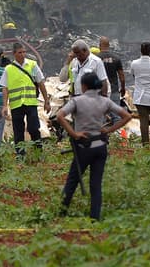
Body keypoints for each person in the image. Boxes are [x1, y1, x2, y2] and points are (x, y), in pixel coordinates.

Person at [56, 74, 132, 221]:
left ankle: (61, 213)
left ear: (84, 86)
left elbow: (60, 115)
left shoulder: (77, 101)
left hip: (83, 146)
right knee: (96, 184)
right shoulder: (105, 101)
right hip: (100, 146)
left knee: (72, 180)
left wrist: (73, 133)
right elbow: (127, 116)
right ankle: (94, 217)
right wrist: (109, 130)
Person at [1, 42, 50, 157]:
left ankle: (38, 152)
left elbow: (41, 83)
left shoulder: (32, 65)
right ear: (14, 54)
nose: (23, 54)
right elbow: (5, 88)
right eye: (20, 52)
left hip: (30, 102)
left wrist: (46, 101)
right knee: (18, 131)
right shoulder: (8, 69)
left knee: (34, 128)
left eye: (24, 52)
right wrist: (4, 105)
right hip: (16, 104)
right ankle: (20, 155)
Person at [98, 37, 126, 106]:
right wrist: (123, 88)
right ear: (109, 45)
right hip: (114, 91)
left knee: (101, 115)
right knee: (115, 114)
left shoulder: (96, 59)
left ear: (99, 45)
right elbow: (122, 77)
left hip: (100, 92)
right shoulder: (116, 58)